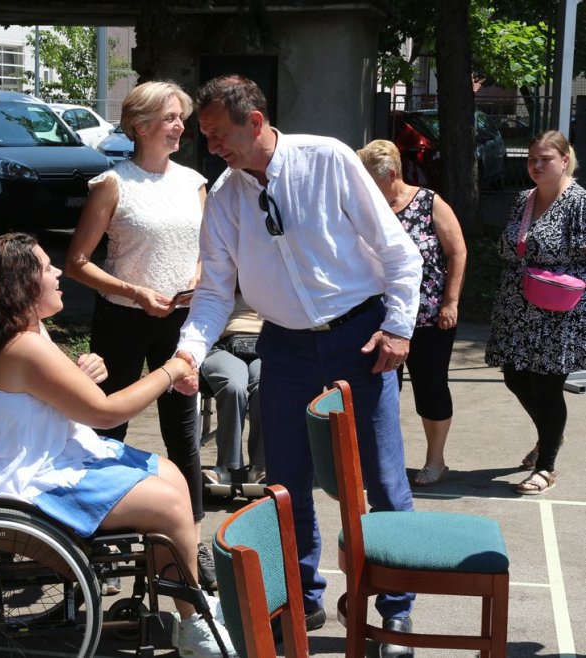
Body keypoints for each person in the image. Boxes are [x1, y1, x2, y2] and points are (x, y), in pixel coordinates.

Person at [174, 75, 423, 657]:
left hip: (362, 336)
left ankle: (396, 615)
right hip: (282, 344)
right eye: (205, 136)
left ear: (255, 121)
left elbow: (397, 251)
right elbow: (214, 292)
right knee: (285, 483)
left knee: (383, 479)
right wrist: (188, 351)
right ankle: (301, 598)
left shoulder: (328, 159)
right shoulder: (227, 194)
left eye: (217, 134)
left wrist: (399, 327)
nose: (211, 147)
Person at [0, 232, 236, 658]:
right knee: (168, 504)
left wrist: (82, 374)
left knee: (174, 476)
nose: (56, 274)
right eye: (47, 267)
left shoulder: (25, 333)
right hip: (33, 481)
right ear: (23, 284)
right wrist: (170, 369)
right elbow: (108, 414)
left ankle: (189, 601)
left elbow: (41, 395)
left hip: (47, 455)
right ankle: (192, 620)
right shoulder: (24, 346)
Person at [64, 81, 216, 588]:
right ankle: (92, 545)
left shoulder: (195, 181)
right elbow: (78, 263)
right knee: (108, 429)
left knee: (184, 433)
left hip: (179, 320)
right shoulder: (113, 182)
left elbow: (207, 249)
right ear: (141, 125)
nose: (180, 126)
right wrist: (134, 290)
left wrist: (198, 272)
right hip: (123, 320)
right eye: (171, 118)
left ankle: (190, 543)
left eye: (181, 118)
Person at [357, 139, 467, 487]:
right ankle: (381, 462)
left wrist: (451, 301)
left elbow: (457, 252)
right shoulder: (368, 208)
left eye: (368, 178)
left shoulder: (429, 202)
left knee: (431, 387)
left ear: (390, 174)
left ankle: (436, 460)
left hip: (430, 317)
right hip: (378, 317)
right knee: (380, 391)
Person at [485, 130, 586, 495]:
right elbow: (509, 245)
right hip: (517, 304)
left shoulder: (578, 202)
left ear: (564, 160)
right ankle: (550, 435)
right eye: (532, 159)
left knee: (546, 386)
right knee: (514, 376)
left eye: (545, 159)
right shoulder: (524, 200)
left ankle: (546, 467)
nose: (537, 165)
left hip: (558, 311)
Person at [200, 292, 265, 487]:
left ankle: (261, 468)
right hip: (220, 345)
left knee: (267, 386)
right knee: (233, 387)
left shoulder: (274, 273)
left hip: (267, 344)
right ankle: (227, 468)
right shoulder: (217, 272)